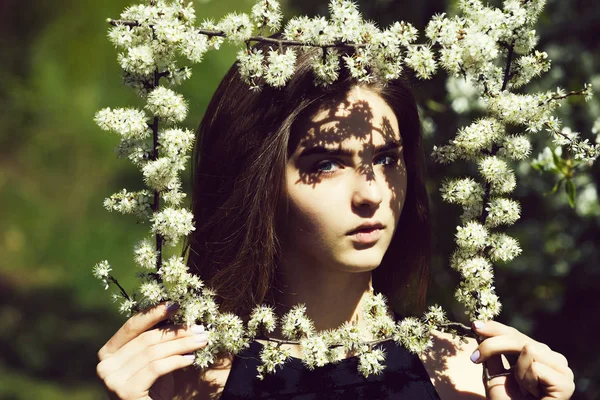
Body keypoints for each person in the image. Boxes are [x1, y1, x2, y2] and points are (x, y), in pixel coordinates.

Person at [96, 35, 575, 399]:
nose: (370, 193)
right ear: (258, 181)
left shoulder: (466, 372)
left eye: (387, 159)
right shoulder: (191, 380)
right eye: (325, 164)